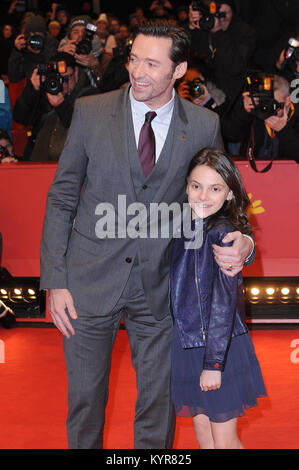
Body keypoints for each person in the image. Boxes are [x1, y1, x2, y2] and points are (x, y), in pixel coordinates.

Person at [40, 20, 254, 449]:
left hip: (161, 285)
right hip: (87, 282)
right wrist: (55, 280)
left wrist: (244, 243)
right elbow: (62, 196)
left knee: (157, 406)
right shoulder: (91, 111)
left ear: (179, 71)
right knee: (84, 403)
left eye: (152, 64)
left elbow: (219, 199)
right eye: (134, 58)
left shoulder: (203, 124)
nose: (138, 70)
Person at [170, 147, 266, 449]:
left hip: (217, 346)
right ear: (186, 186)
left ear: (229, 195)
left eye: (215, 188)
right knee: (204, 437)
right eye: (196, 186)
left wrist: (213, 363)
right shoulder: (185, 225)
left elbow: (225, 304)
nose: (202, 196)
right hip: (188, 343)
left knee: (224, 442)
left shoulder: (223, 234)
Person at [13, 51, 99, 161]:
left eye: (66, 78)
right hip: (39, 162)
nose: (62, 84)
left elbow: (83, 128)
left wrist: (61, 105)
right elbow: (20, 118)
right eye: (57, 78)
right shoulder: (46, 92)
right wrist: (32, 89)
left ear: (76, 72)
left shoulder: (91, 96)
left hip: (71, 165)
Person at [221, 73, 299, 163]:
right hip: (252, 168)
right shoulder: (256, 110)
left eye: (275, 104)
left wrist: (283, 130)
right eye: (266, 102)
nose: (268, 108)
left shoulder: (296, 116)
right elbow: (230, 135)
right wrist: (243, 110)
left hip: (287, 172)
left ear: (287, 100)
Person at [7, 14, 58, 83]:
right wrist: (17, 51)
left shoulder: (51, 44)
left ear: (44, 36)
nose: (36, 40)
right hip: (31, 90)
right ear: (27, 37)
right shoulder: (25, 50)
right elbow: (13, 78)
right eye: (32, 36)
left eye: (39, 36)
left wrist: (40, 52)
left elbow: (53, 70)